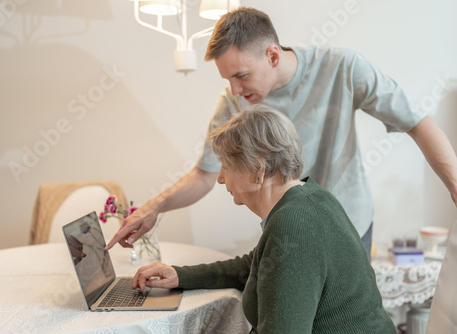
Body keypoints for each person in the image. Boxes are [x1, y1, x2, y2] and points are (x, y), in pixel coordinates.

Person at [106, 7, 457, 255]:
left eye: (241, 75)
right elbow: (203, 176)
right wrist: (153, 208)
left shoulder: (343, 67)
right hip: (289, 229)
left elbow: (417, 123)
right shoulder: (234, 102)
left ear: (272, 55)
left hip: (349, 223)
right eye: (227, 79)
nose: (234, 90)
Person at [132, 106, 397, 333]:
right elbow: (255, 266)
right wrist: (179, 275)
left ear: (258, 169)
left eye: (225, 165)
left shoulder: (294, 223)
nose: (221, 178)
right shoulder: (309, 198)